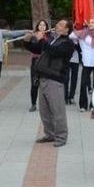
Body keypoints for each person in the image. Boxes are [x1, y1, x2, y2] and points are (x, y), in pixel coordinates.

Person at [23, 19, 75, 147]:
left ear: (67, 30)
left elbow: (54, 51)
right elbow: (36, 49)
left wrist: (41, 39)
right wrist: (27, 40)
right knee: (44, 111)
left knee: (58, 111)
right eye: (57, 24)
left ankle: (61, 137)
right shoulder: (52, 39)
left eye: (60, 25)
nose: (56, 25)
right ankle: (50, 134)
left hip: (55, 79)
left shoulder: (68, 43)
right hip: (43, 78)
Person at [26, 20, 50, 112]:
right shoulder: (34, 37)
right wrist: (29, 38)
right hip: (36, 61)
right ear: (38, 27)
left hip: (47, 62)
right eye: (40, 25)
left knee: (47, 84)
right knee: (34, 83)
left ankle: (48, 104)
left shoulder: (50, 37)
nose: (42, 26)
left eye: (44, 25)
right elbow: (33, 48)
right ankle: (33, 104)